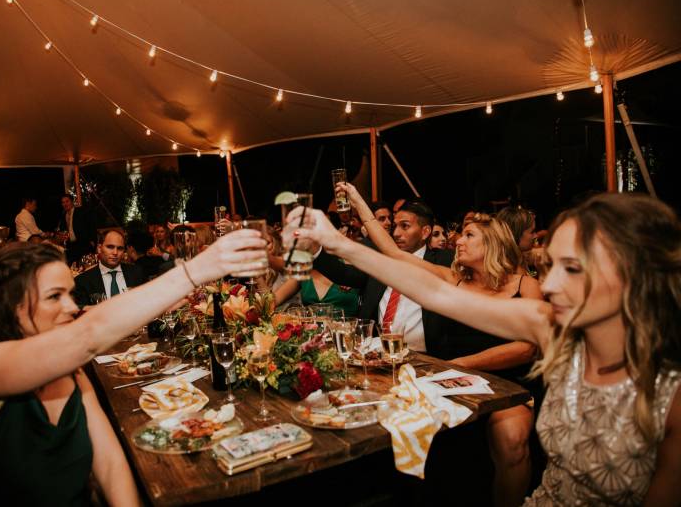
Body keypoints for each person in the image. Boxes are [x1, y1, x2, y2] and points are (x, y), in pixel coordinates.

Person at [287, 192, 681, 506]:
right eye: (551, 266)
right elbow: (436, 291)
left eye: (572, 268)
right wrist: (337, 242)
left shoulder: (671, 396)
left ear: (633, 274)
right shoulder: (553, 330)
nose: (550, 285)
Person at [0, 229, 266, 505]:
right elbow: (87, 335)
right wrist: (198, 268)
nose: (72, 307)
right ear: (11, 305)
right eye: (54, 296)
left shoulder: (72, 376)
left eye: (70, 294)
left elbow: (112, 468)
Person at [340, 183, 542, 506]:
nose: (458, 241)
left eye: (469, 236)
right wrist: (358, 203)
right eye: (460, 235)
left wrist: (461, 365)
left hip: (509, 383)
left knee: (513, 441)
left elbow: (526, 348)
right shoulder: (453, 279)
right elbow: (392, 254)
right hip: (453, 380)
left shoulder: (525, 285)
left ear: (493, 242)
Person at [314, 200, 453, 352]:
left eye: (405, 226)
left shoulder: (444, 261)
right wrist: (314, 250)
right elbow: (345, 274)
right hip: (378, 352)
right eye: (395, 226)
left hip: (426, 359)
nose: (396, 233)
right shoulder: (383, 261)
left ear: (425, 232)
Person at [73, 229, 146, 306]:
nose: (115, 252)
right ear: (99, 248)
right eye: (110, 247)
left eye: (120, 248)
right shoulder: (83, 280)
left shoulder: (137, 273)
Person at [58, 194, 95, 265]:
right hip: (71, 246)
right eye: (63, 202)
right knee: (74, 267)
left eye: (67, 201)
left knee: (87, 266)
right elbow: (63, 231)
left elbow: (91, 226)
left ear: (72, 202)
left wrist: (92, 241)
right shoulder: (63, 216)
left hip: (84, 244)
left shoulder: (81, 211)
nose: (65, 204)